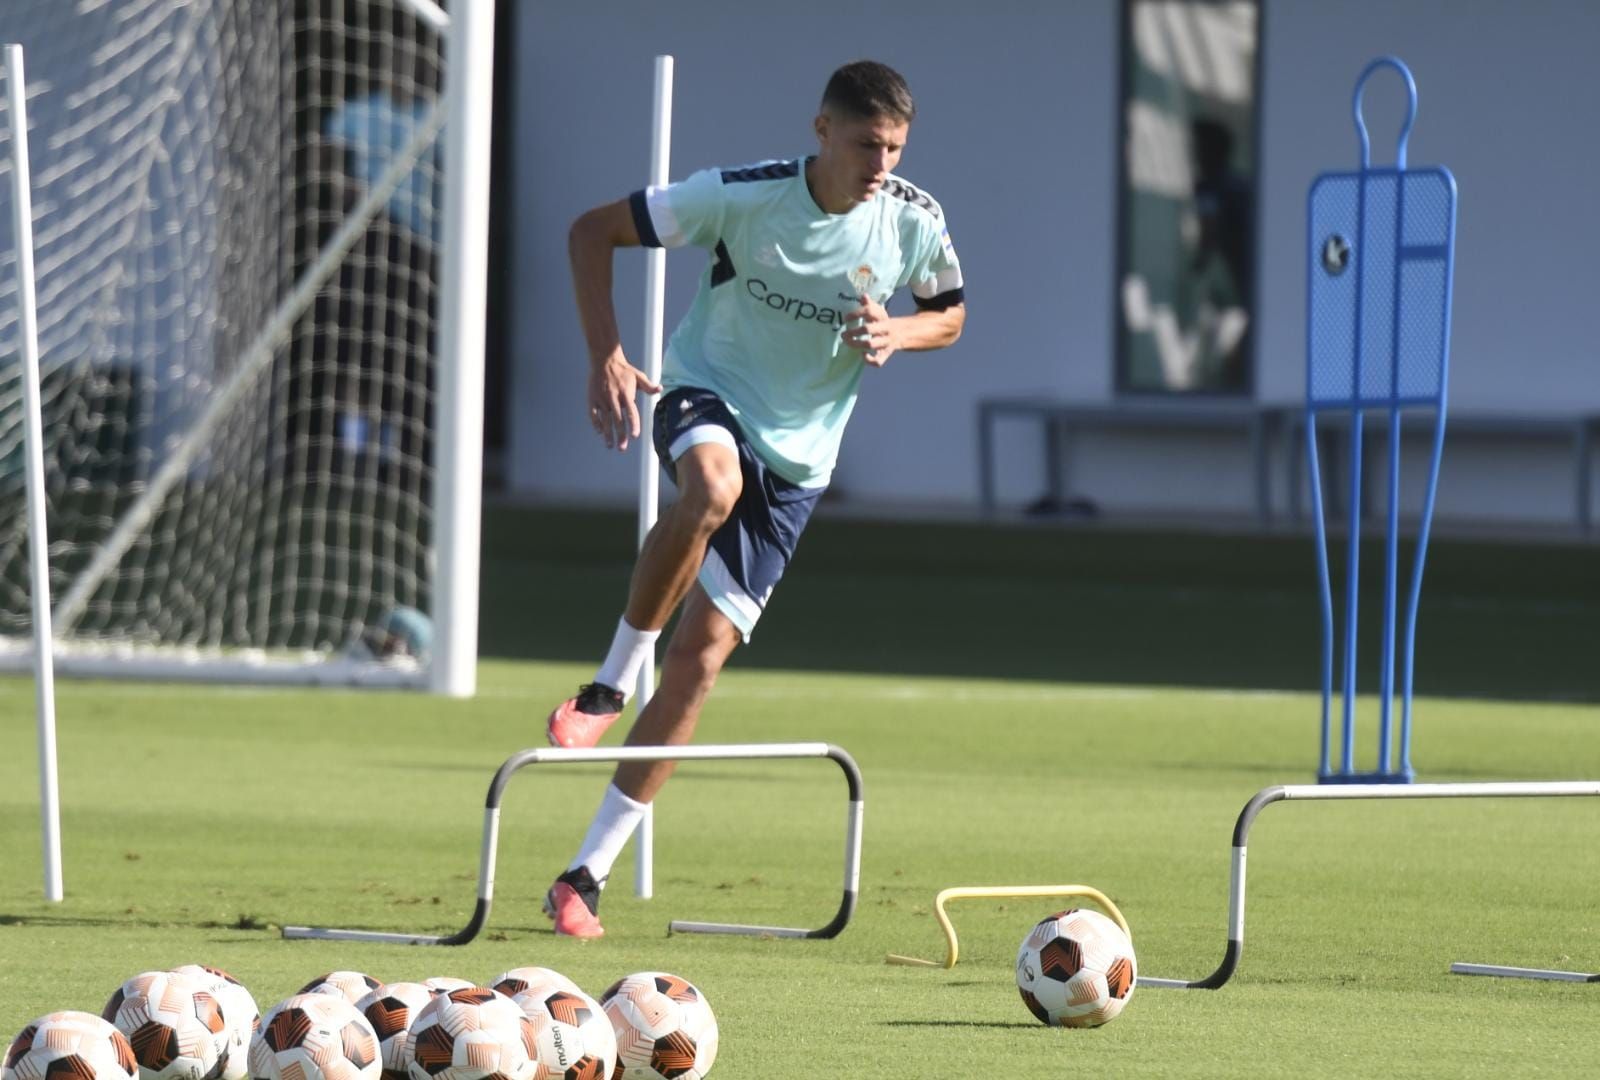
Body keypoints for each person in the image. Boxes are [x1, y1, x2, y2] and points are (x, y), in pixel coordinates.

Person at [542, 59, 965, 937]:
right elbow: (590, 233)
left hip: (802, 464)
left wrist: (901, 330)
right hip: (707, 392)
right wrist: (606, 354)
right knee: (710, 486)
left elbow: (952, 313)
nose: (880, 162)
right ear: (821, 131)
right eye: (864, 145)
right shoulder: (740, 196)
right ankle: (607, 686)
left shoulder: (913, 222)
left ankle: (585, 875)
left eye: (892, 147)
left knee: (699, 662)